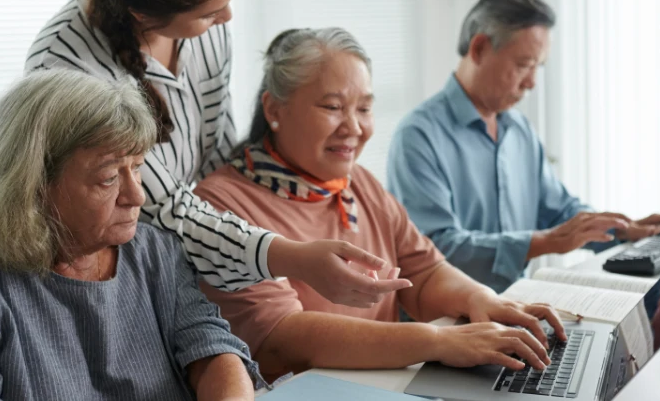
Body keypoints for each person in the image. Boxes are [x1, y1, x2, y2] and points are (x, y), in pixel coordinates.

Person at [24, 0, 407, 307]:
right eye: (210, 12)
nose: (227, 18)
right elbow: (162, 211)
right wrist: (288, 256)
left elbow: (217, 150)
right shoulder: (66, 68)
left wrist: (262, 230)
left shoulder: (206, 23)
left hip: (208, 246)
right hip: (114, 278)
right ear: (142, 15)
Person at [193, 28, 566, 381]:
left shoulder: (359, 182)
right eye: (333, 107)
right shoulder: (221, 205)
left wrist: (479, 299)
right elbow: (280, 338)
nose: (354, 127)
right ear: (274, 110)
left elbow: (422, 272)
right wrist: (438, 342)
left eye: (365, 109)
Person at [0, 70, 261, 400]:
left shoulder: (152, 250)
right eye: (108, 178)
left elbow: (211, 349)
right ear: (32, 184)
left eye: (136, 168)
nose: (137, 196)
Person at [387, 0, 660, 293]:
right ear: (479, 49)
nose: (531, 83)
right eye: (523, 65)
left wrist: (624, 229)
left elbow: (560, 210)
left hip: (515, 308)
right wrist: (546, 242)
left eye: (537, 67)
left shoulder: (518, 130)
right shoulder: (419, 137)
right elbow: (436, 252)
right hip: (448, 323)